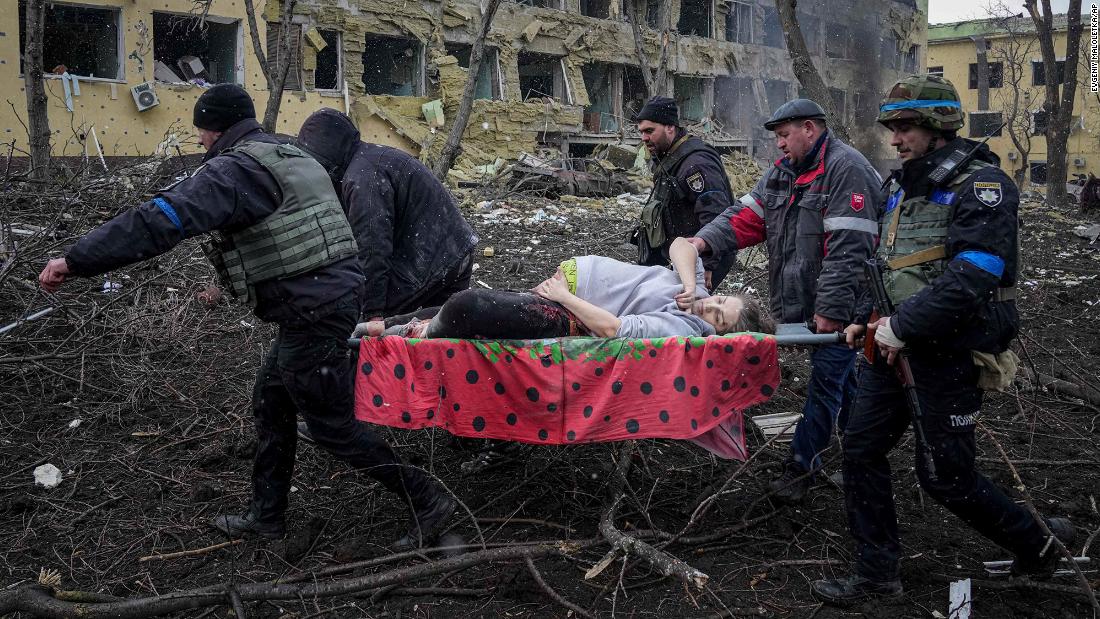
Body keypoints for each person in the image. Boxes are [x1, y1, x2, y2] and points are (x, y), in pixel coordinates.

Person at [38, 84, 454, 550]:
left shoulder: (234, 171)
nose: (198, 142)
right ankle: (266, 516)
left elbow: (160, 220)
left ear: (213, 129)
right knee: (272, 399)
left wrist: (76, 260)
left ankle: (427, 499)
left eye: (200, 132)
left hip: (314, 308)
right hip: (325, 299)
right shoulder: (286, 151)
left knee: (330, 425)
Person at [811, 74, 1075, 604]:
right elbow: (888, 267)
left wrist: (902, 327)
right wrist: (867, 319)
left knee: (945, 477)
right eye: (894, 127)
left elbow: (975, 274)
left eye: (905, 127)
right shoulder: (902, 185)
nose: (895, 138)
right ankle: (877, 577)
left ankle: (1040, 547)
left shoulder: (983, 186)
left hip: (949, 351)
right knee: (860, 449)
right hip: (891, 349)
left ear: (938, 126)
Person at [690, 99, 882, 503]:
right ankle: (860, 452)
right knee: (842, 378)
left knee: (827, 381)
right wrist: (703, 241)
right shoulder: (782, 175)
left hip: (845, 306)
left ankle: (801, 466)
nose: (778, 145)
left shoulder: (848, 171)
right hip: (807, 304)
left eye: (783, 135)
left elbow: (850, 250)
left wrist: (830, 310)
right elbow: (745, 217)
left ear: (809, 129)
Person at [364, 238, 773, 340]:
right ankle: (376, 327)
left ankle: (405, 335)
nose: (709, 308)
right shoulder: (695, 291)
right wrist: (690, 283)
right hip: (566, 287)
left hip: (569, 311)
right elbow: (682, 245)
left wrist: (563, 297)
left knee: (464, 307)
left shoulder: (684, 329)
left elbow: (614, 329)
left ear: (717, 334)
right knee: (466, 307)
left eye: (718, 317)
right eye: (719, 301)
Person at [296, 108, 478, 322]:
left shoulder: (363, 178)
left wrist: (372, 313)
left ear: (325, 156)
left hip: (434, 260)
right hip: (453, 250)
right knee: (436, 335)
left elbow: (372, 247)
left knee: (371, 328)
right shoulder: (368, 160)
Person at [632, 96, 738, 288]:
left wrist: (707, 263)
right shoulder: (670, 156)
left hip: (700, 256)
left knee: (685, 311)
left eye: (649, 131)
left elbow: (715, 215)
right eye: (641, 132)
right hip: (682, 253)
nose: (644, 138)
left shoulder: (695, 164)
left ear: (670, 127)